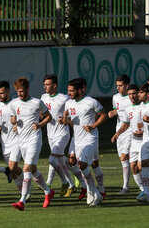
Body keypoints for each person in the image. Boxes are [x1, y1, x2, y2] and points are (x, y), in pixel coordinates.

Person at [9, 77, 54, 211]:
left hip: (34, 139)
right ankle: (47, 191)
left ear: (28, 89)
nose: (20, 94)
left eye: (22, 91)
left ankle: (22, 200)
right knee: (32, 169)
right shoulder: (14, 103)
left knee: (27, 168)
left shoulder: (36, 102)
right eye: (17, 91)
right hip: (20, 139)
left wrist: (39, 125)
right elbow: (13, 118)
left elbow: (49, 116)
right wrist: (14, 122)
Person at [62, 78, 107, 206]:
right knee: (73, 163)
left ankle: (94, 191)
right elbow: (68, 122)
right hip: (76, 138)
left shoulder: (91, 102)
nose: (69, 93)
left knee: (83, 165)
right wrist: (64, 119)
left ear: (80, 90)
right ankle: (94, 192)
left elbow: (103, 115)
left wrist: (93, 125)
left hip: (90, 138)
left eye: (71, 91)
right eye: (68, 90)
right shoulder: (69, 103)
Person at [41, 74, 75, 197]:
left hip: (62, 133)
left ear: (54, 85)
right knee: (60, 161)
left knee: (53, 159)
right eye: (44, 84)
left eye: (48, 84)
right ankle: (75, 182)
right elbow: (42, 114)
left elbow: (72, 111)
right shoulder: (43, 97)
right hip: (50, 134)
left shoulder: (64, 98)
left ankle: (54, 184)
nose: (45, 86)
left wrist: (66, 119)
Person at [0, 81, 25, 196]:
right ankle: (23, 191)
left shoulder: (16, 103)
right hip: (5, 142)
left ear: (8, 91)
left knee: (12, 166)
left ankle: (27, 187)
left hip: (17, 139)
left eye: (2, 93)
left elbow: (25, 118)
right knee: (12, 170)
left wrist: (18, 125)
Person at [108, 74, 132, 194]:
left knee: (125, 157)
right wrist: (113, 113)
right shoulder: (115, 97)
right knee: (125, 160)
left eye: (121, 85)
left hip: (131, 130)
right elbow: (116, 110)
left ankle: (125, 187)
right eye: (117, 85)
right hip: (119, 130)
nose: (118, 88)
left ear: (127, 86)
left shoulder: (132, 97)